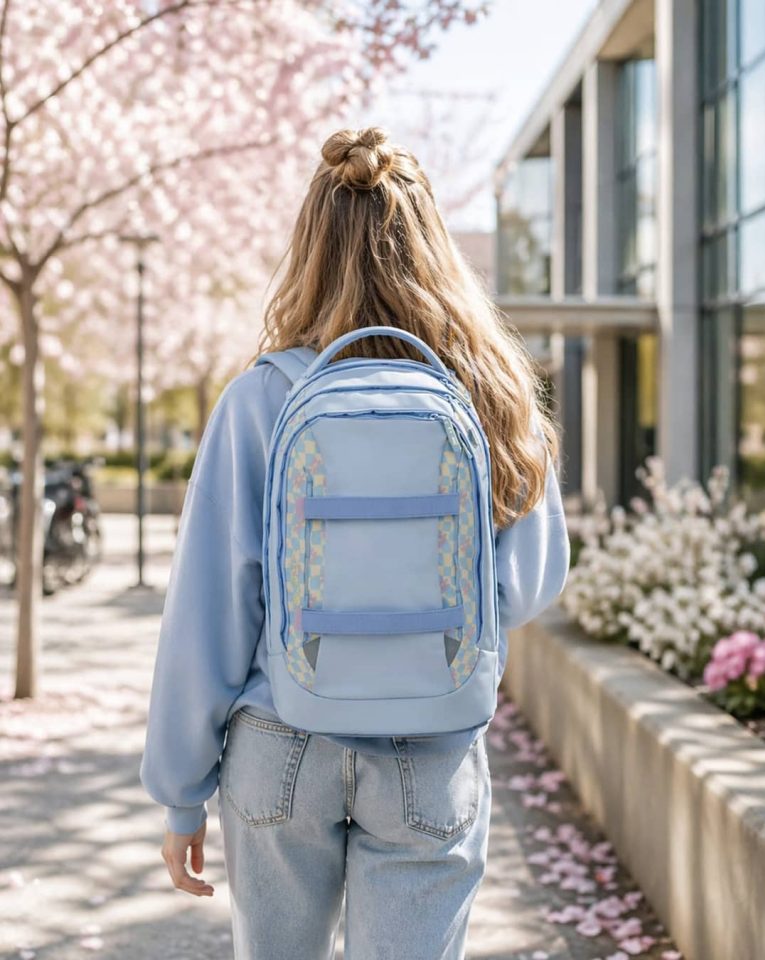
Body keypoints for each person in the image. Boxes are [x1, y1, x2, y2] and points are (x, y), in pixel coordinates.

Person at [139, 126, 570, 960]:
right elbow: (528, 584)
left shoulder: (259, 398)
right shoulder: (491, 392)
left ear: (310, 247)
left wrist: (180, 796)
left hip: (280, 734)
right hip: (432, 746)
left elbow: (208, 612)